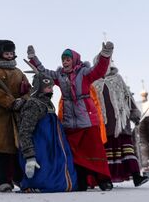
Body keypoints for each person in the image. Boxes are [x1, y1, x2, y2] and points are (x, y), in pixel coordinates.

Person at [27, 42, 114, 191]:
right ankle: (81, 181)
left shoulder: (84, 73)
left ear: (74, 60)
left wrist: (105, 54)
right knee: (74, 154)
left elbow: (99, 70)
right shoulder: (60, 76)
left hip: (87, 119)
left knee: (94, 150)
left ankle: (104, 180)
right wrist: (33, 58)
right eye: (63, 60)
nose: (65, 62)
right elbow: (43, 72)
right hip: (69, 122)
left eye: (67, 59)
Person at [91, 61, 149, 187]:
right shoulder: (94, 83)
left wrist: (134, 112)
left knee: (127, 150)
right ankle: (106, 179)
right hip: (104, 125)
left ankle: (136, 176)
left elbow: (127, 96)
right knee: (107, 153)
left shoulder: (117, 78)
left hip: (121, 123)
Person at [18, 72, 78, 192]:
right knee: (47, 183)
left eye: (51, 87)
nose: (51, 90)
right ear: (39, 88)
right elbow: (25, 131)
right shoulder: (34, 104)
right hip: (40, 153)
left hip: (54, 151)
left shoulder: (48, 104)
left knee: (64, 184)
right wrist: (30, 157)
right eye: (47, 87)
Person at [0, 40, 31, 193]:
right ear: (0, 53)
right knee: (2, 150)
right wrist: (10, 102)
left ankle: (18, 178)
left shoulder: (19, 72)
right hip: (0, 116)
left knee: (18, 148)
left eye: (11, 53)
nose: (9, 56)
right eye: (6, 53)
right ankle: (3, 181)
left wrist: (23, 101)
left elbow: (27, 89)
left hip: (17, 116)